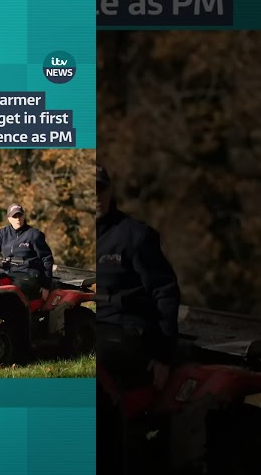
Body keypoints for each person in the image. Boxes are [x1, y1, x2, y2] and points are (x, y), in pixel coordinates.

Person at [95, 163, 181, 474]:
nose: (94, 197)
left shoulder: (135, 236)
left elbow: (166, 293)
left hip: (126, 329)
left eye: (100, 189)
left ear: (110, 190)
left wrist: (162, 354)